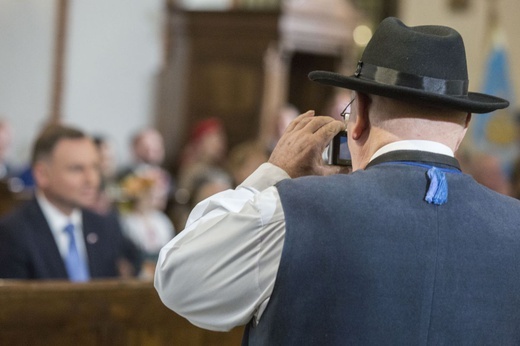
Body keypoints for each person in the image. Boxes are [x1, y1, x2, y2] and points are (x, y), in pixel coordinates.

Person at [154, 17, 520, 345]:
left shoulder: (298, 210)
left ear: (357, 115)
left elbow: (178, 278)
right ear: (465, 127)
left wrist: (273, 174)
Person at [0, 124, 140, 280]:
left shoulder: (106, 226)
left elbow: (136, 266)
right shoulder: (12, 233)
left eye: (95, 167)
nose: (91, 179)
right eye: (77, 169)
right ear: (42, 174)